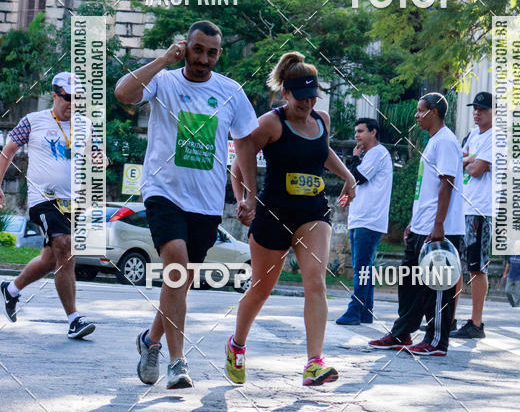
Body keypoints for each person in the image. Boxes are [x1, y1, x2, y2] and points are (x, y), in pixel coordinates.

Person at [115, 21, 258, 390]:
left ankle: (150, 341)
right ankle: (177, 363)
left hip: (207, 203)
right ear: (185, 47)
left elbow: (245, 147)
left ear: (219, 54)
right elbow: (123, 93)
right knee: (176, 266)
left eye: (211, 52)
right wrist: (163, 60)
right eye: (197, 49)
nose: (203, 59)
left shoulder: (230, 91)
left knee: (179, 282)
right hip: (163, 192)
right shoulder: (164, 81)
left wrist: (247, 196)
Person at [227, 51, 356, 386]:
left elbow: (322, 150)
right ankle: (237, 344)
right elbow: (240, 161)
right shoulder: (270, 122)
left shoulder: (322, 120)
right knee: (261, 289)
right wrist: (244, 199)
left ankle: (314, 363)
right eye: (301, 98)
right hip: (273, 213)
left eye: (312, 97)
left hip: (313, 212)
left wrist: (348, 176)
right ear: (285, 93)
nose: (307, 104)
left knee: (315, 282)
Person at [0, 72, 98, 339]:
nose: (73, 103)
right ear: (54, 95)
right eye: (68, 98)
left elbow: (97, 158)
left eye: (78, 99)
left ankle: (11, 290)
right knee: (65, 247)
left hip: (73, 202)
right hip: (43, 198)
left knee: (50, 258)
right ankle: (74, 318)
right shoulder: (32, 121)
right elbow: (7, 152)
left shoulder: (86, 125)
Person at [368, 92, 464, 356]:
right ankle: (403, 333)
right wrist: (414, 222)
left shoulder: (445, 141)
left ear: (434, 111)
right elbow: (427, 189)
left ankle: (436, 341)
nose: (416, 115)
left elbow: (447, 183)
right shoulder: (434, 141)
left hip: (440, 229)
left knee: (437, 287)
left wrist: (439, 225)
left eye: (420, 110)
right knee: (409, 282)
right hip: (422, 226)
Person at [336, 117, 393, 325]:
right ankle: (365, 311)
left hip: (369, 219)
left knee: (361, 265)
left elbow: (357, 178)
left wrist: (354, 158)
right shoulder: (368, 156)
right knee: (364, 266)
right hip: (359, 218)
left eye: (361, 131)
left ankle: (355, 309)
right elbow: (351, 184)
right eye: (355, 132)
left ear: (373, 132)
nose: (357, 136)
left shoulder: (377, 153)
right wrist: (342, 199)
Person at [450, 92, 493, 340]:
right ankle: (450, 318)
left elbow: (476, 171)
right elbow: (461, 159)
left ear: (494, 113)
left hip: (479, 209)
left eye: (483, 109)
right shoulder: (473, 134)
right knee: (455, 266)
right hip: (463, 207)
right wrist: (470, 159)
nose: (477, 113)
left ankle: (476, 323)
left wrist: (469, 160)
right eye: (475, 108)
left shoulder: (495, 137)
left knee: (476, 267)